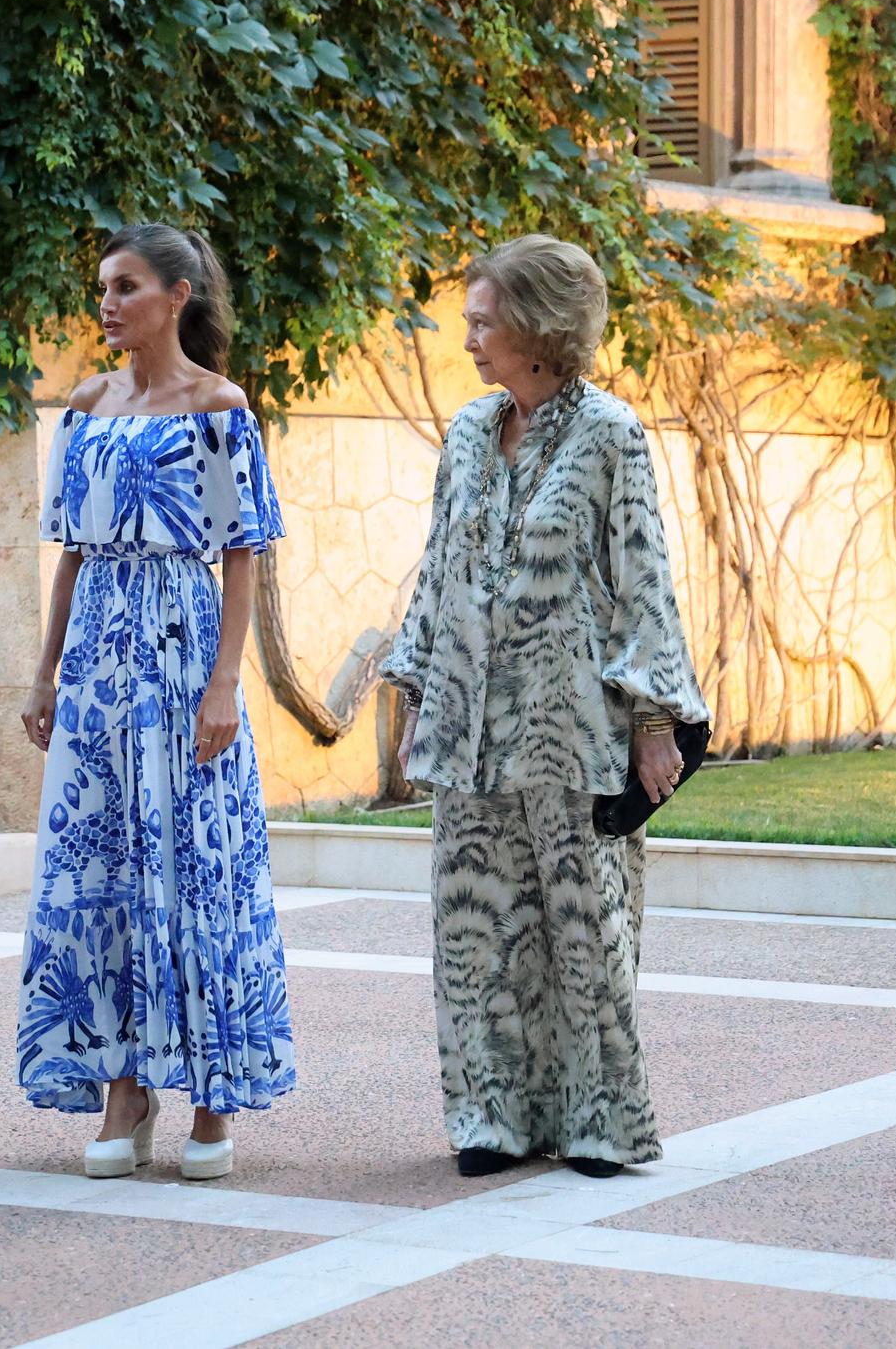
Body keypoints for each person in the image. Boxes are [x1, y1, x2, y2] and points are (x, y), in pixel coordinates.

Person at [378, 233, 709, 1180]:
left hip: (571, 729)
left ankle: (600, 1122)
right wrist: (418, 690)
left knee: (582, 926)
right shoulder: (470, 432)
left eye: (484, 320)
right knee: (473, 928)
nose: (470, 337)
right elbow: (437, 568)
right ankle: (490, 1118)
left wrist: (654, 723)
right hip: (470, 728)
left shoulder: (611, 434)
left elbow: (644, 578)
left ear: (538, 326)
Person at [17, 223, 295, 1182]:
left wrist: (226, 683)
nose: (106, 302)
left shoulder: (220, 409)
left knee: (196, 863)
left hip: (183, 659)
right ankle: (124, 1091)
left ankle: (213, 1096)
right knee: (101, 872)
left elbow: (243, 552)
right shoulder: (87, 403)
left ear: (178, 294)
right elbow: (71, 554)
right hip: (98, 664)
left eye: (125, 286)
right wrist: (44, 673)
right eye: (101, 286)